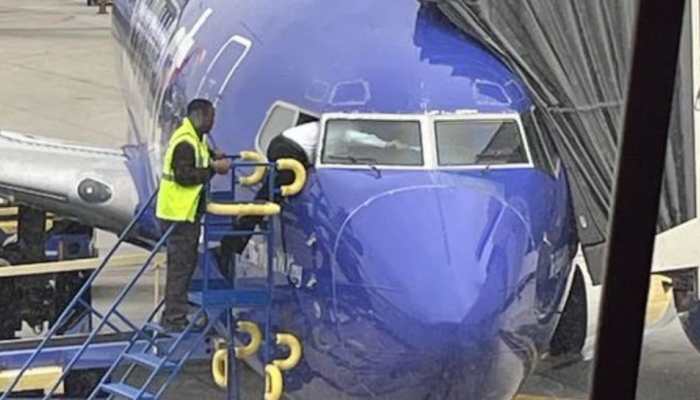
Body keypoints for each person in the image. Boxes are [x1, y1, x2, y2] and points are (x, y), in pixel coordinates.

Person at [156, 99, 231, 331]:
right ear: (198, 116)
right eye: (210, 117)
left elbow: (200, 154)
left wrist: (212, 154)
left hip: (185, 214)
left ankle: (174, 313)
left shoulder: (194, 138)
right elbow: (184, 175)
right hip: (178, 215)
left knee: (184, 265)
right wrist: (213, 170)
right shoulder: (185, 143)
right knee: (181, 266)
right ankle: (174, 318)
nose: (213, 122)